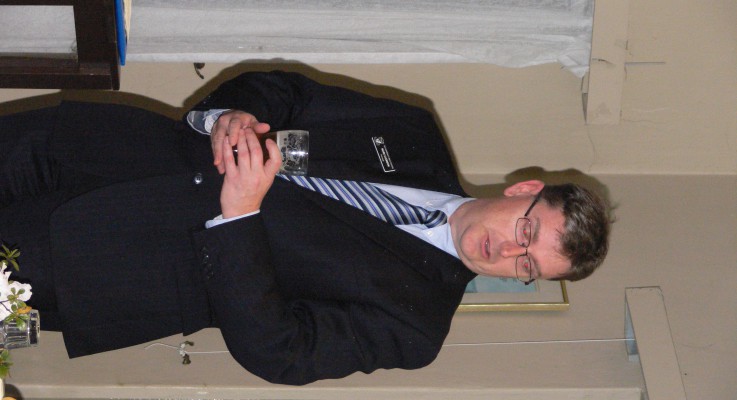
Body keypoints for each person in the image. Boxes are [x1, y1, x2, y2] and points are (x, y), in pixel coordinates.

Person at [0, 70, 610, 385]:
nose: (505, 252)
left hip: (100, 267)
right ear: (524, 190)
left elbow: (279, 351)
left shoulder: (415, 326)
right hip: (96, 145)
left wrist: (239, 217)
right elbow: (289, 92)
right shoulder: (415, 132)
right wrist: (237, 114)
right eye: (526, 234)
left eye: (526, 267)